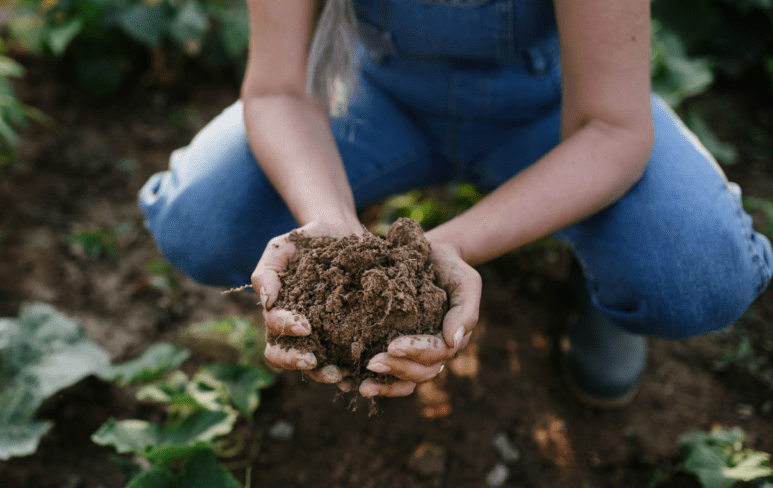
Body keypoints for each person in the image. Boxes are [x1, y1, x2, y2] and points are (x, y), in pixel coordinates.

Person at [138, 0, 773, 407]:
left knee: (695, 273)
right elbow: (278, 89)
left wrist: (447, 247)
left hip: (555, 109)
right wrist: (329, 226)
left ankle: (606, 292)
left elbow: (611, 128)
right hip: (372, 94)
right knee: (203, 222)